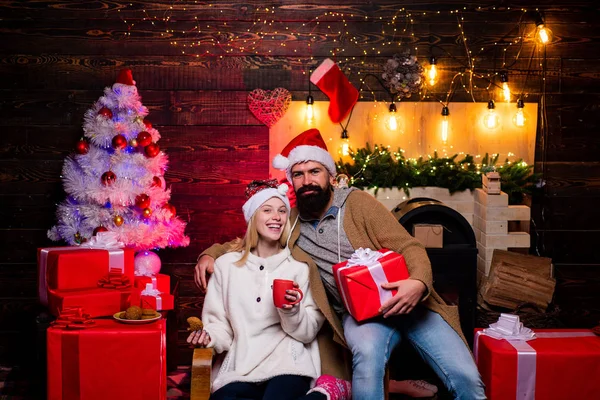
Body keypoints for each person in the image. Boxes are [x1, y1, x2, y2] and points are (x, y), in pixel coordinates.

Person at [196, 129, 486, 400]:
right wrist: (211, 253)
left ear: (330, 176)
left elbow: (408, 245)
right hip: (362, 316)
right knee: (367, 360)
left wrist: (418, 283)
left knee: (466, 378)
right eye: (298, 174)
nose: (307, 180)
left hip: (411, 303)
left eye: (314, 172)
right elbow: (252, 238)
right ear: (291, 181)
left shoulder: (358, 204)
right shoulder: (290, 220)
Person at [188, 179, 351, 400]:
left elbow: (307, 333)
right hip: (241, 368)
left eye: (282, 211)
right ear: (253, 216)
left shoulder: (299, 268)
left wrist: (292, 310)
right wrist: (208, 337)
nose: (277, 217)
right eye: (267, 210)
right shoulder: (226, 266)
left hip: (289, 366)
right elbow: (220, 327)